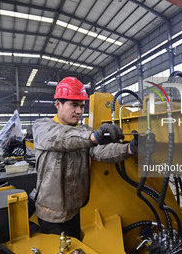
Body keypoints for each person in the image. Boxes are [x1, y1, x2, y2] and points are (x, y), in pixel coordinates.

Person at [32, 77, 139, 240]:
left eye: (82, 106)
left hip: (80, 211)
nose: (79, 111)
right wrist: (94, 136)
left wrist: (129, 148)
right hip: (51, 215)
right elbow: (63, 137)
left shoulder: (84, 131)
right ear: (58, 104)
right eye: (74, 105)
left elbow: (100, 152)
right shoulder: (42, 127)